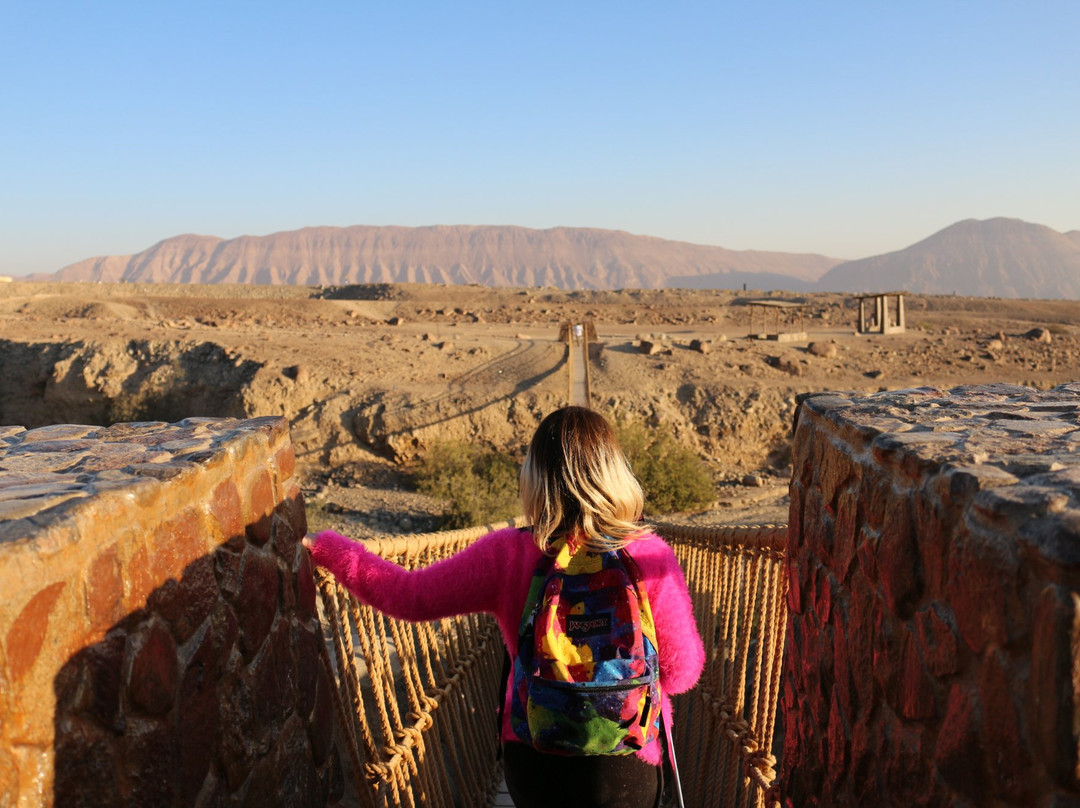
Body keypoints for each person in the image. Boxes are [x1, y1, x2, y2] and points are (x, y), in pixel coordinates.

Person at [304, 406, 704, 808]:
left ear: (535, 478)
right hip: (625, 762)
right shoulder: (648, 556)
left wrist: (331, 550)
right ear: (614, 472)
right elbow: (682, 672)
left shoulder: (506, 554)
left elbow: (410, 595)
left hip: (534, 754)